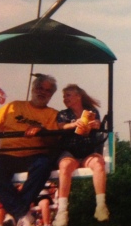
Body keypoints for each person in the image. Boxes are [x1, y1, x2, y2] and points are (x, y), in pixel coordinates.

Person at [0, 74, 59, 226]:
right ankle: (22, 213)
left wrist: (41, 130)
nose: (42, 92)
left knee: (44, 166)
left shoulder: (53, 114)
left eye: (47, 91)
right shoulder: (14, 106)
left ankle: (14, 213)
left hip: (34, 154)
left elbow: (54, 141)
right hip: (9, 154)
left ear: (51, 95)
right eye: (40, 88)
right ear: (33, 89)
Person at [52, 84, 109, 226]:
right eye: (64, 96)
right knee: (64, 166)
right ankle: (62, 211)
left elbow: (98, 128)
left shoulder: (91, 111)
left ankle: (101, 206)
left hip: (87, 152)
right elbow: (60, 126)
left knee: (99, 163)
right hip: (70, 152)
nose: (65, 99)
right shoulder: (64, 114)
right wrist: (72, 125)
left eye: (68, 95)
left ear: (78, 96)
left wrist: (97, 124)